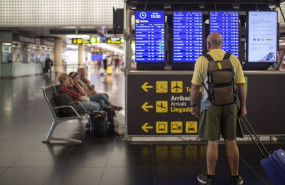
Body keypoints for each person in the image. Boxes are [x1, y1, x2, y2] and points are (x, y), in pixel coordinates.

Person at [190, 33, 247, 185]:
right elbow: (241, 85)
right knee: (231, 141)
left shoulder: (202, 60)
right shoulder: (233, 59)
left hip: (210, 106)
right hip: (231, 105)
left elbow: (195, 87)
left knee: (213, 141)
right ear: (221, 44)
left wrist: (193, 106)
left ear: (208, 44)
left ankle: (210, 177)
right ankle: (235, 177)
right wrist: (243, 107)